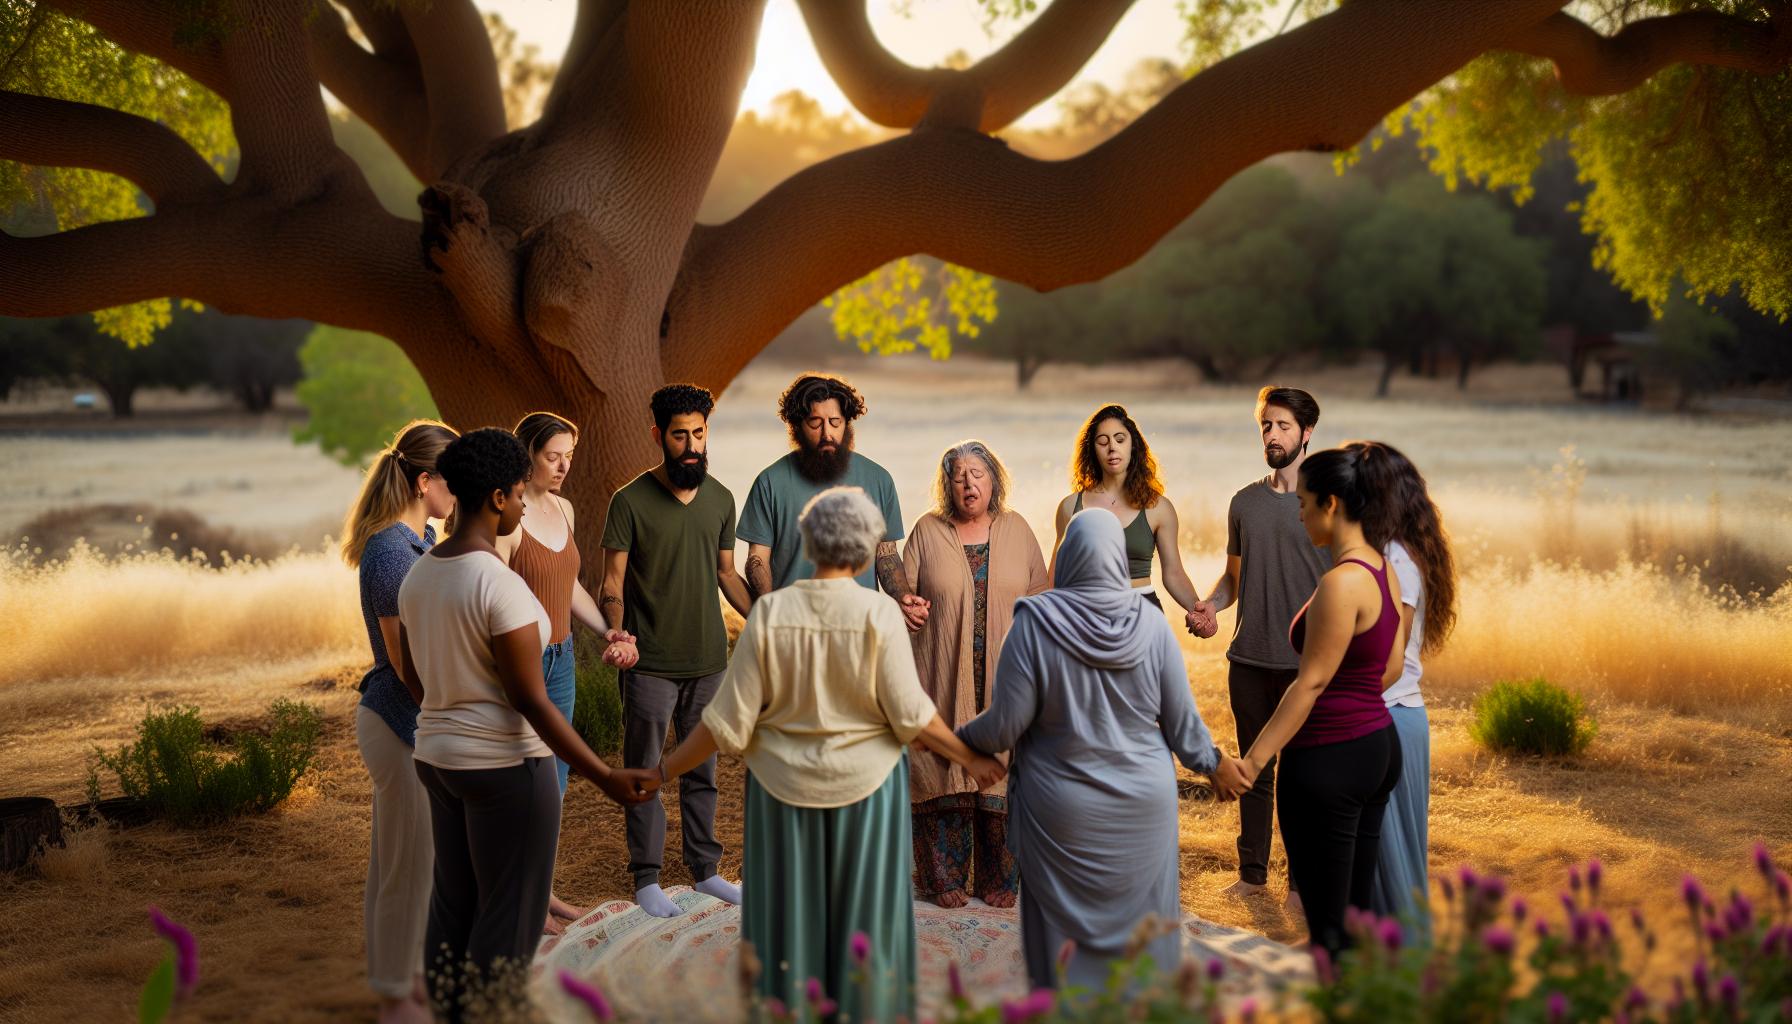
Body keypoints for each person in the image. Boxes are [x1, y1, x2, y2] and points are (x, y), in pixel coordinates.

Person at [654, 487, 1005, 1022]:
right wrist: (970, 756)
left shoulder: (770, 613)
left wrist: (662, 770)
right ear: (866, 551)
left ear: (809, 544)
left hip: (780, 794)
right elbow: (912, 715)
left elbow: (725, 723)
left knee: (787, 921)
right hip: (866, 794)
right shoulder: (878, 614)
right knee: (864, 922)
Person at [397, 428, 656, 1021]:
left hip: (438, 759)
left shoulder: (420, 576)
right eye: (516, 495)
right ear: (495, 498)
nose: (521, 505)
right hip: (507, 769)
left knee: (454, 905)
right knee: (509, 917)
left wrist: (451, 721)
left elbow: (415, 679)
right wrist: (604, 774)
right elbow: (531, 702)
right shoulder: (501, 587)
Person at [958, 509, 1248, 991]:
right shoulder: (1152, 628)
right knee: (1143, 940)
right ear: (1117, 558)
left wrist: (953, 739)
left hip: (1059, 812)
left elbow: (1004, 727)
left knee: (1060, 950)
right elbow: (1182, 727)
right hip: (1141, 811)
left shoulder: (1033, 624)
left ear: (1067, 556)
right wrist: (1215, 764)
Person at [1215, 443, 1408, 960]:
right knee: (1355, 912)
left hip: (1329, 757)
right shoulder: (1382, 571)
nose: (1298, 515)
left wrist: (1251, 763)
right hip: (1377, 747)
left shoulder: (1339, 584)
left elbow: (1310, 684)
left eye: (1303, 504)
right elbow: (1389, 668)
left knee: (1327, 928)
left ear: (1330, 505)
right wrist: (1356, 703)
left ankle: (1336, 994)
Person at [599, 384, 752, 919]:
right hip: (650, 665)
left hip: (710, 660)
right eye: (680, 435)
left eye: (699, 434)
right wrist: (618, 633)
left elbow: (727, 574)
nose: (691, 445)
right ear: (658, 436)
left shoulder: (721, 499)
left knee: (703, 770)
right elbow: (611, 583)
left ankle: (706, 872)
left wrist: (765, 618)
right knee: (643, 769)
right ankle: (646, 878)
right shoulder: (629, 501)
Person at [494, 411, 640, 933]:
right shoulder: (506, 519)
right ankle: (519, 904)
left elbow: (569, 586)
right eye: (552, 457)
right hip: (522, 665)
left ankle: (541, 894)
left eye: (569, 458)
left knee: (553, 787)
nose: (562, 467)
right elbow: (490, 596)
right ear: (526, 454)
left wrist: (608, 631)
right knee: (521, 785)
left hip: (561, 661)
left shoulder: (565, 509)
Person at [1190, 386, 1329, 912]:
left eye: (1283, 427)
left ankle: (1300, 884)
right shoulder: (1244, 503)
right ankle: (1252, 876)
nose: (1272, 435)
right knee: (1252, 770)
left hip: (1307, 667)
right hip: (1248, 661)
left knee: (1306, 778)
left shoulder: (1327, 504)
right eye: (1266, 426)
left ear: (1307, 432)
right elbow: (1232, 579)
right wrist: (1210, 605)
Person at [343, 420, 457, 1024]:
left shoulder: (422, 539)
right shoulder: (392, 550)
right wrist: (440, 715)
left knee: (407, 860)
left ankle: (405, 981)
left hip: (413, 721)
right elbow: (400, 658)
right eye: (453, 480)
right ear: (424, 481)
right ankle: (395, 997)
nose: (460, 491)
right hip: (399, 721)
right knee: (407, 866)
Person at [903, 440, 1047, 909]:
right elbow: (902, 595)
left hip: (1007, 678)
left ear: (994, 480)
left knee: (1005, 770)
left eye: (978, 474)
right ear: (947, 484)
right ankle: (941, 878)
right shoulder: (927, 530)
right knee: (940, 767)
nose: (969, 483)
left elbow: (1042, 594)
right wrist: (908, 606)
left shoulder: (1017, 528)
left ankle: (1001, 877)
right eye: (959, 475)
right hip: (941, 673)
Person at [738, 372, 930, 631]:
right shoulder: (769, 482)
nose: (826, 432)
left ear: (846, 424)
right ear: (797, 426)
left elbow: (886, 554)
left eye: (835, 422)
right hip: (793, 629)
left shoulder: (879, 480)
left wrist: (903, 597)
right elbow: (757, 560)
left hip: (861, 629)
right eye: (815, 423)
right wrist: (772, 614)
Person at [1364, 443, 1458, 943]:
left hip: (1390, 713)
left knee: (1391, 856)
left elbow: (1389, 657)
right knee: (1387, 850)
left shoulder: (1396, 558)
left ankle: (1401, 964)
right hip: (1398, 714)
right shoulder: (1396, 551)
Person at [1050, 405, 1203, 631]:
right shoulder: (1070, 507)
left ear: (1133, 445)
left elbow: (1173, 573)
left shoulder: (1159, 508)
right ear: (1092, 450)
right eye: (1103, 441)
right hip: (1086, 616)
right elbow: (1056, 575)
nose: (1112, 447)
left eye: (1120, 439)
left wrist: (1199, 612)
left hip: (1143, 613)